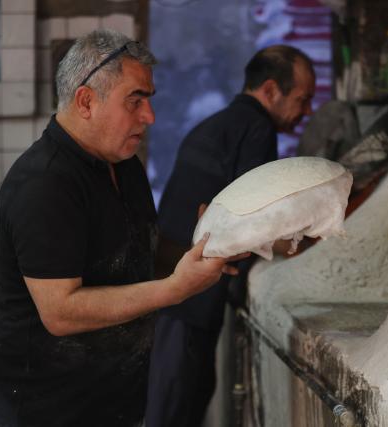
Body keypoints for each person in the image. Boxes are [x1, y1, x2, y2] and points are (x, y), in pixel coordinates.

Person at [0, 29, 246, 427]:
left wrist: (208, 247)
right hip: (42, 411)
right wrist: (175, 290)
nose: (150, 117)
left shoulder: (124, 166)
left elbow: (141, 253)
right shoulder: (45, 183)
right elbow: (61, 312)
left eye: (148, 101)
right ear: (86, 101)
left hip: (111, 404)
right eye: (135, 100)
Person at [146, 45, 315, 427]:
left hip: (170, 290)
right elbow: (255, 221)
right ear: (270, 90)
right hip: (187, 297)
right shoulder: (256, 129)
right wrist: (303, 241)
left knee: (174, 402)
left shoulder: (219, 124)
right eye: (302, 100)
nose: (306, 113)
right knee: (177, 406)